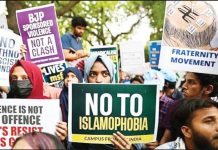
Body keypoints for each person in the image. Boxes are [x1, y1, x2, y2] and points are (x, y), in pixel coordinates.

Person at [7, 60, 67, 144]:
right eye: (14, 78)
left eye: (25, 78)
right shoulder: (4, 108)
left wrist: (61, 139)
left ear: (35, 79)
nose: (18, 82)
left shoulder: (50, 108)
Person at [159, 72, 218, 146]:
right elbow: (166, 139)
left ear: (208, 89)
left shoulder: (216, 110)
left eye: (191, 82)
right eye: (185, 81)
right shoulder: (176, 106)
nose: (184, 86)